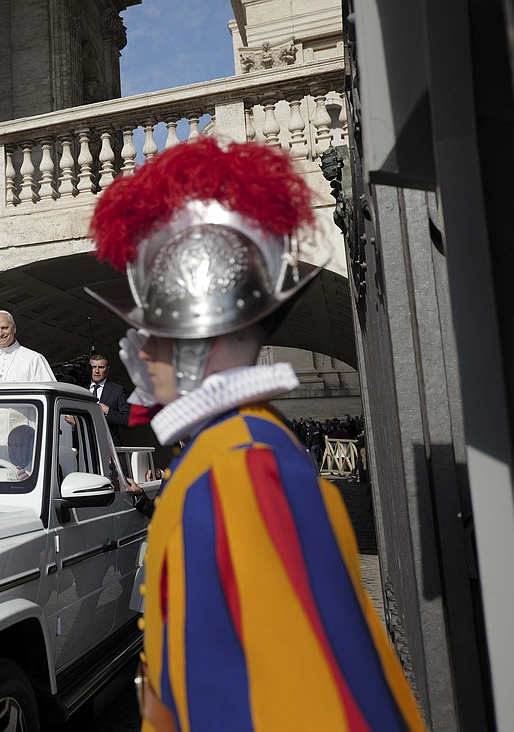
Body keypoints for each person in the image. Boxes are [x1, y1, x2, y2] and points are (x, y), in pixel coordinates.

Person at [87, 137, 422, 731]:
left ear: (198, 345)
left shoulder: (242, 467)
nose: (140, 355)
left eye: (155, 339)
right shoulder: (220, 453)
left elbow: (320, 710)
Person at [87, 353, 131, 445]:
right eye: (94, 367)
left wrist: (108, 411)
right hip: (85, 446)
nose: (97, 371)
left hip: (110, 447)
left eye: (101, 367)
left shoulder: (117, 391)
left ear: (108, 369)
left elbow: (129, 421)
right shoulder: (80, 389)